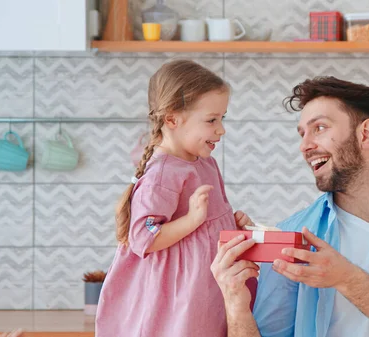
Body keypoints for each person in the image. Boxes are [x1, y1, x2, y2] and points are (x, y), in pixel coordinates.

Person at [212, 77, 369, 337]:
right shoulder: (293, 234)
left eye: (319, 128)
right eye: (302, 133)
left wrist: (346, 278)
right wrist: (236, 306)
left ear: (365, 133)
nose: (304, 146)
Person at [96, 60, 255, 337]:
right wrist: (194, 219)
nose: (221, 129)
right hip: (179, 297)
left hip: (206, 289)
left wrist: (231, 225)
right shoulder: (162, 174)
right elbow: (144, 237)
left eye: (222, 118)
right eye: (211, 120)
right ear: (172, 119)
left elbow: (209, 225)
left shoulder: (205, 164)